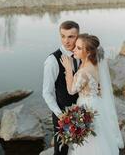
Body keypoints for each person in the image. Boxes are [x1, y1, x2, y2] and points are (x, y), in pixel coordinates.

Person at [60, 33, 124, 155]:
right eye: (75, 46)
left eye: (78, 48)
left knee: (90, 138)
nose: (74, 49)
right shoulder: (93, 63)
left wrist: (68, 70)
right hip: (95, 103)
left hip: (87, 106)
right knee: (99, 134)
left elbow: (71, 90)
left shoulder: (84, 71)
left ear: (88, 52)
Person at [42, 21, 81, 155]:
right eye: (63, 36)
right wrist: (61, 115)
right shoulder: (52, 61)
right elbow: (47, 93)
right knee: (62, 151)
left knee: (81, 146)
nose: (66, 41)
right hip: (62, 114)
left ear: (78, 36)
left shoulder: (82, 55)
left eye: (71, 36)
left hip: (82, 112)